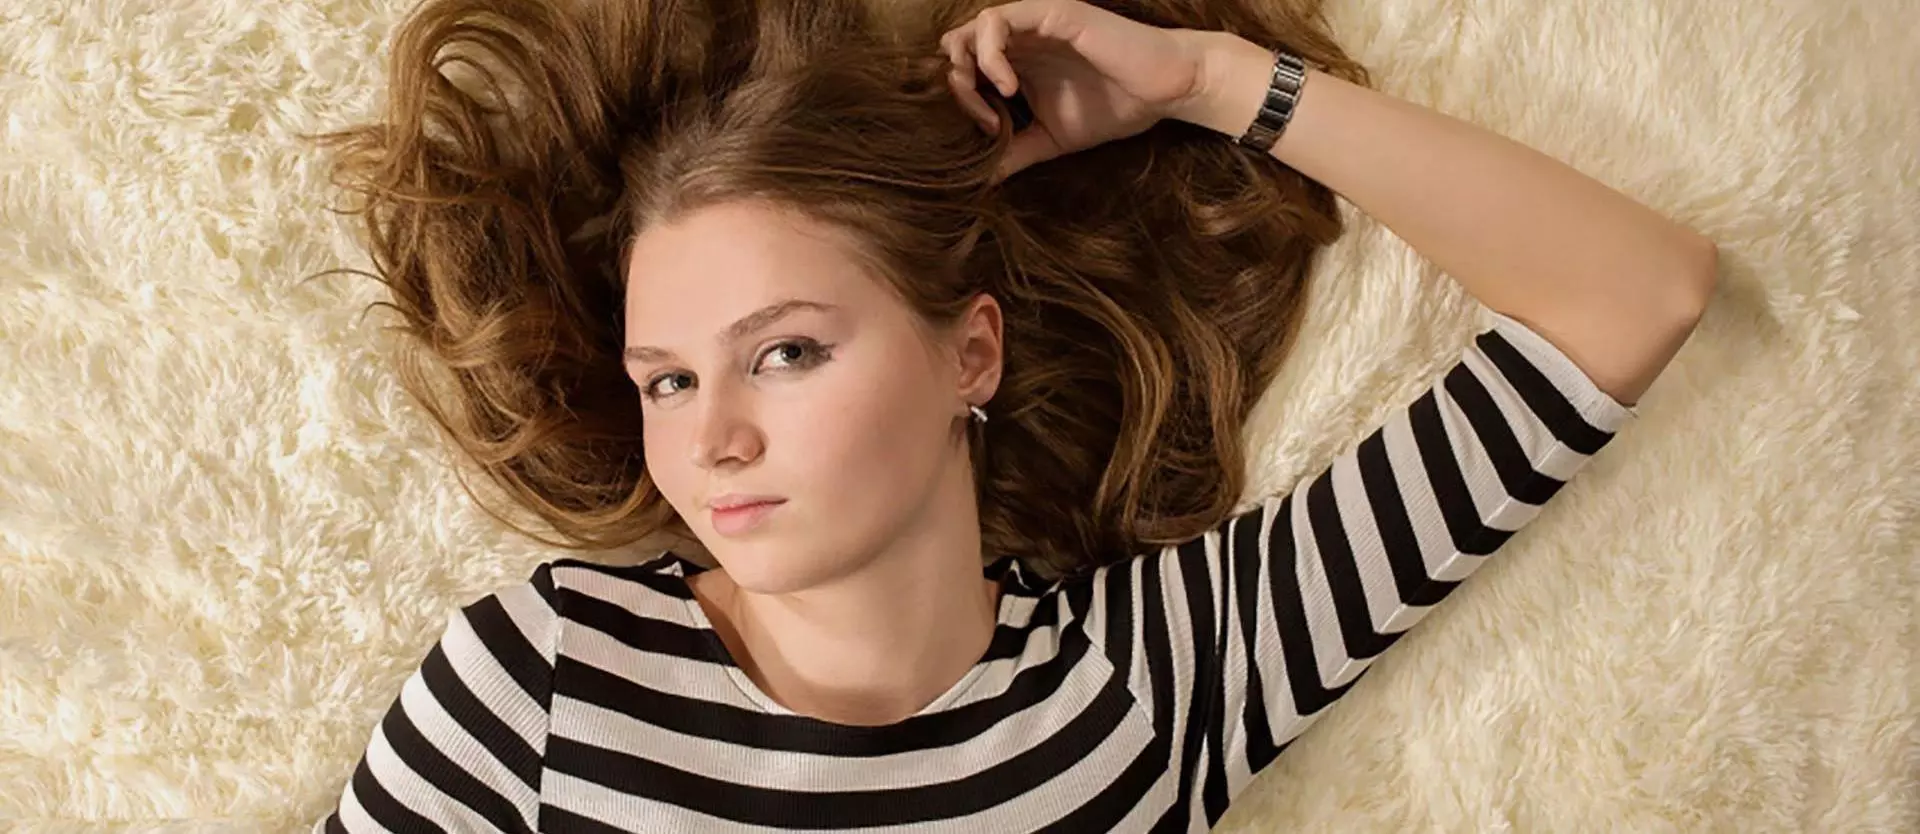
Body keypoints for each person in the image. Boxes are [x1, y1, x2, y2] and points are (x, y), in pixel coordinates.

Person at [308, 0, 1717, 829]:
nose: (712, 436)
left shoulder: (1147, 684)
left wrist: (1208, 81)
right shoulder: (538, 677)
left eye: (784, 352)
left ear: (968, 352)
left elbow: (1635, 292)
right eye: (668, 376)